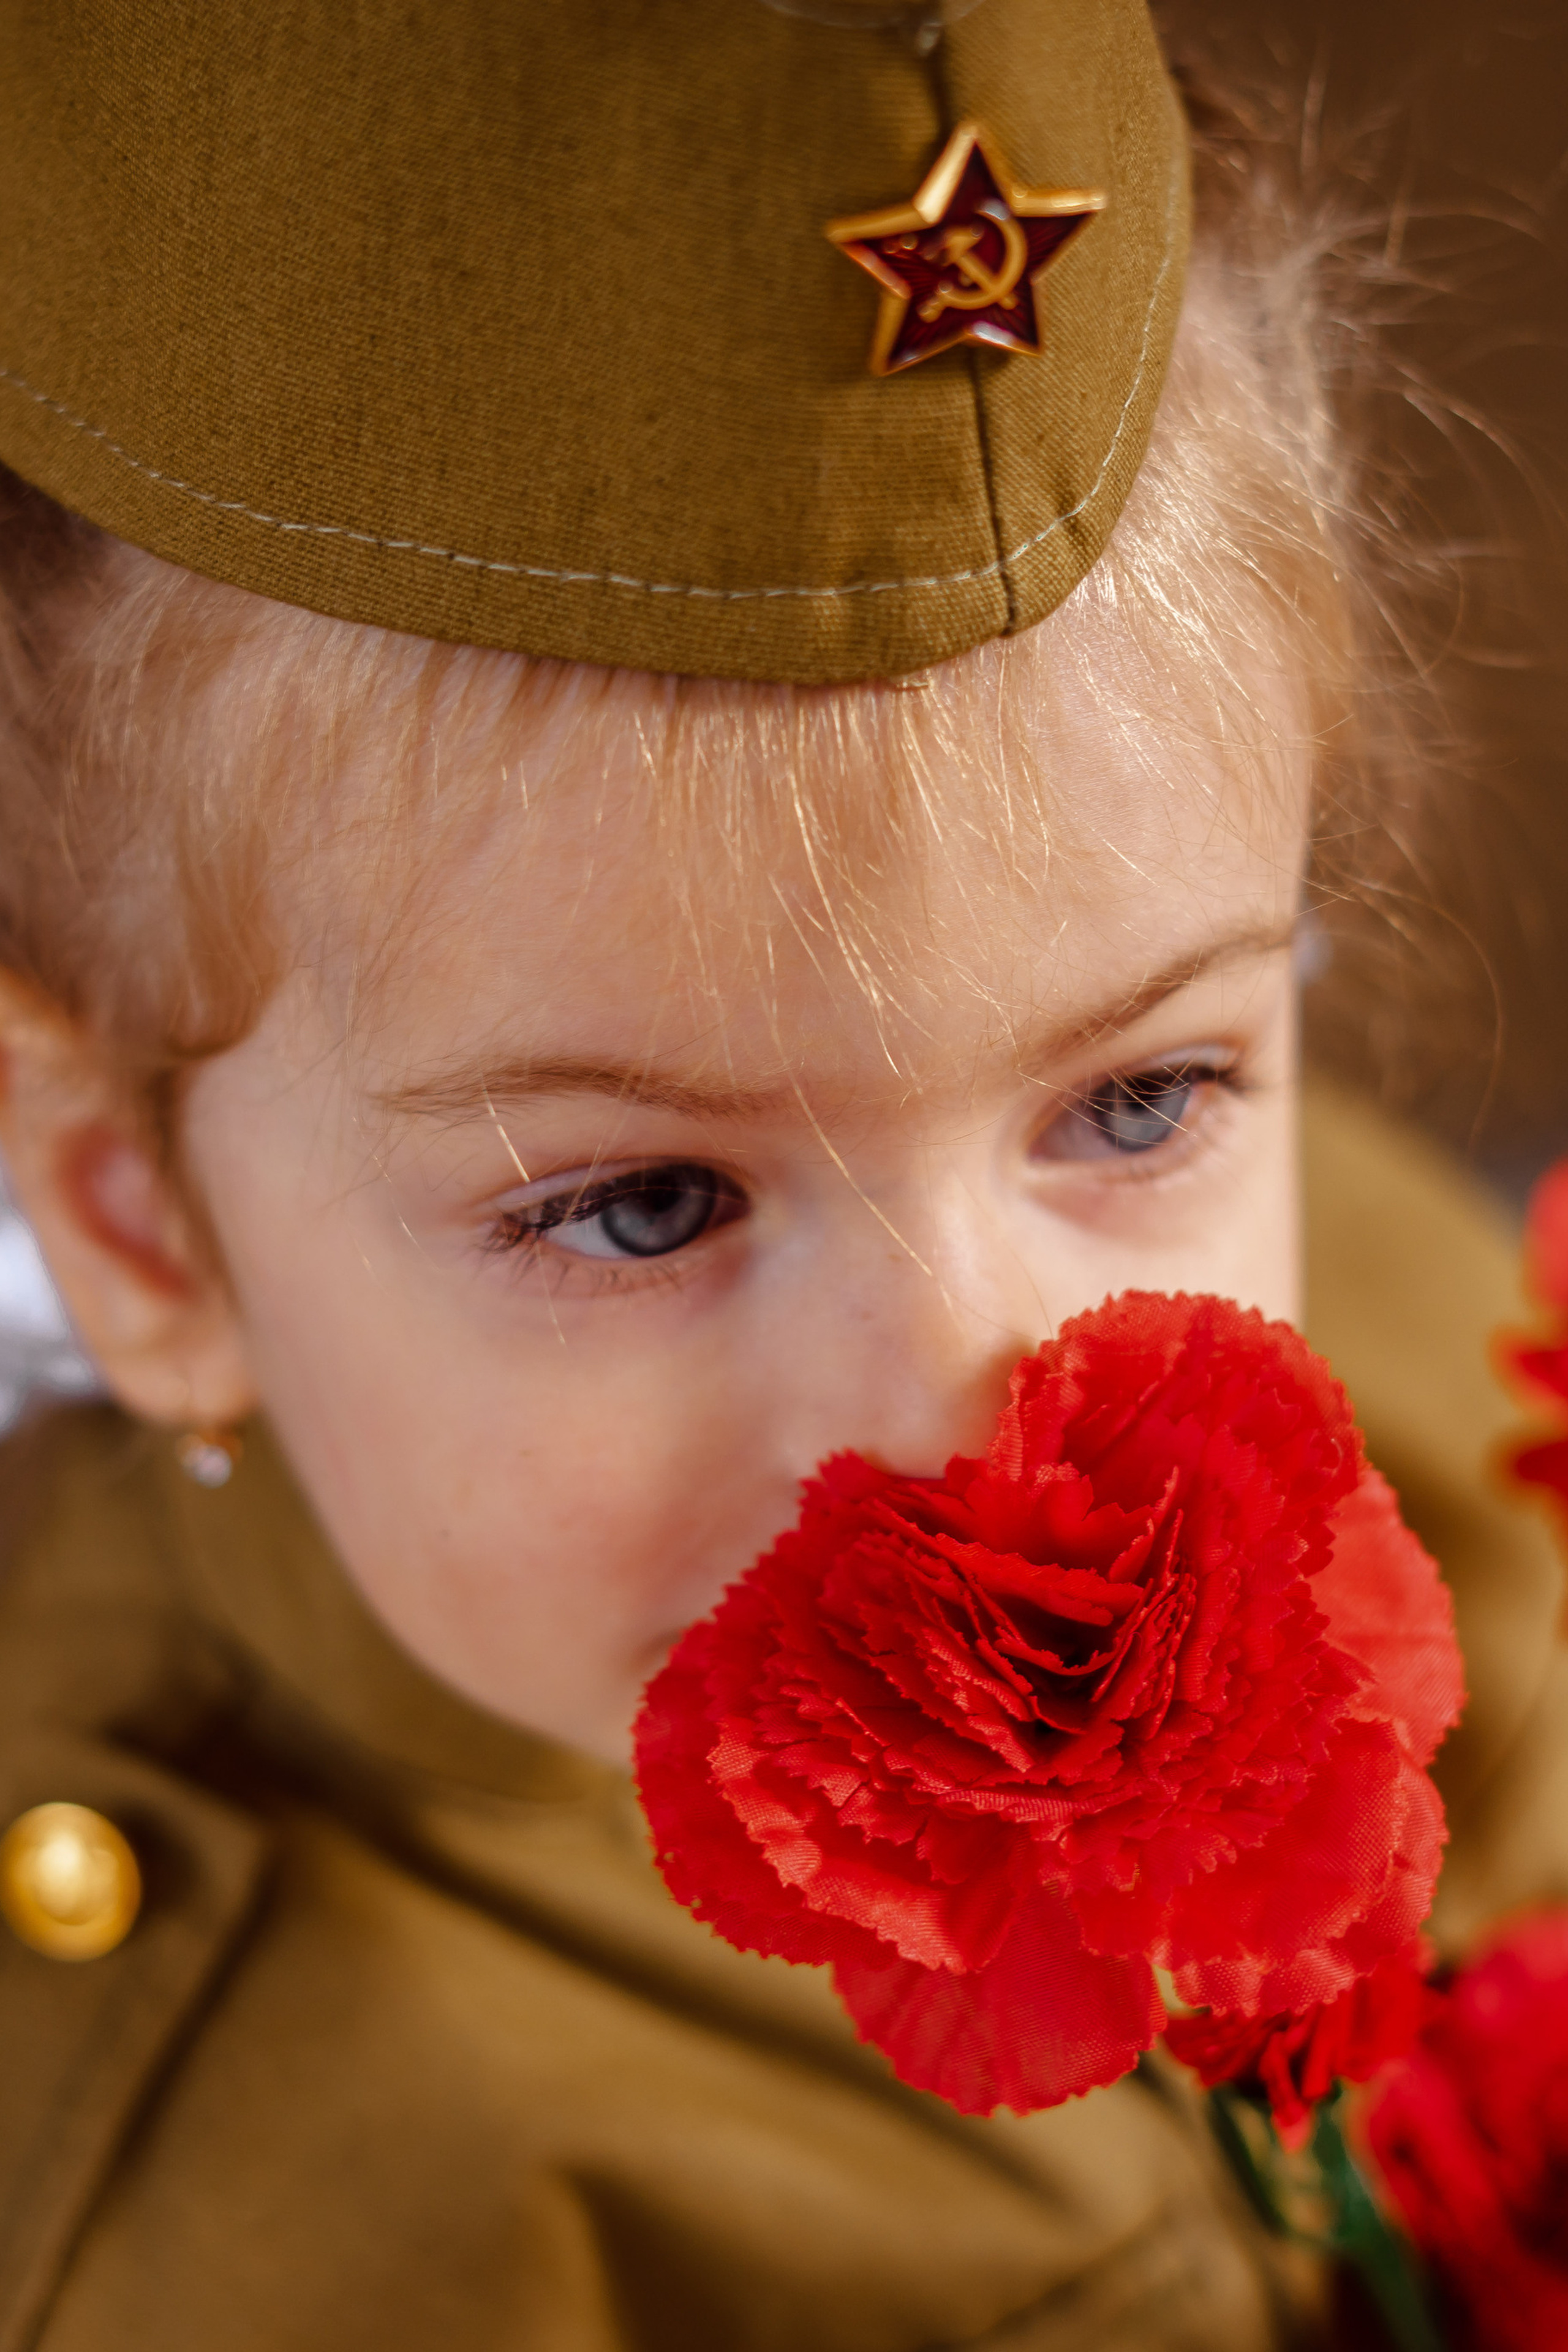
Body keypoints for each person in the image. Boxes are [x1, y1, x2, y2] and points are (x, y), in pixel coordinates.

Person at [0, 1, 1561, 2344]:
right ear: (135, 1224)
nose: (972, 1417)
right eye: (642, 1205)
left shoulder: (1435, 1360)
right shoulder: (319, 2240)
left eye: (1135, 1100)